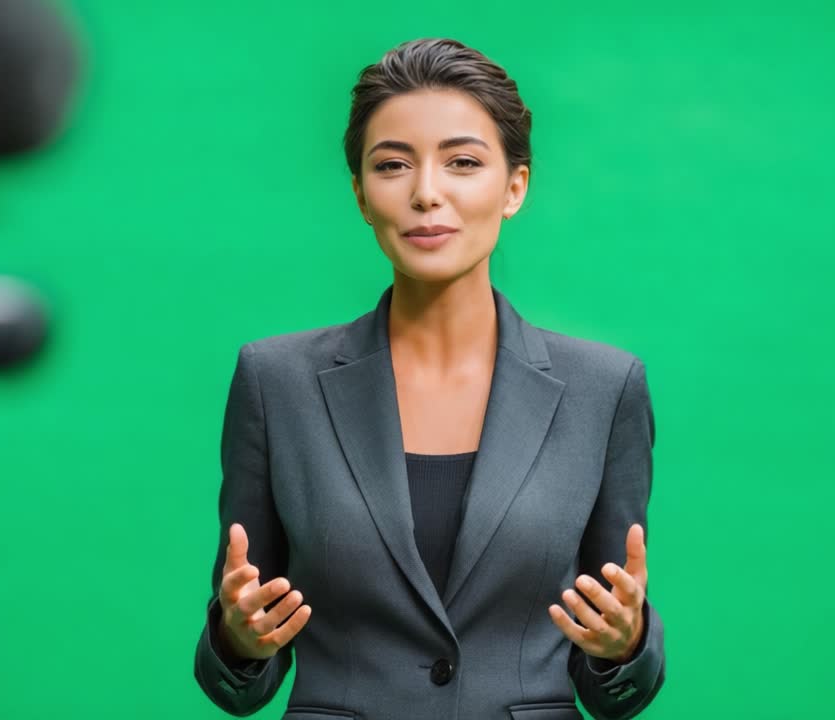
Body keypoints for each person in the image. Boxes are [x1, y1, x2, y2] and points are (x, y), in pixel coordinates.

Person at [193, 38, 666, 720]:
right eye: (392, 165)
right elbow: (238, 672)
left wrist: (623, 646)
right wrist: (238, 640)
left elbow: (617, 684)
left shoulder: (605, 388)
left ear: (514, 187)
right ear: (360, 193)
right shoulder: (276, 382)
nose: (426, 194)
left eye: (463, 162)